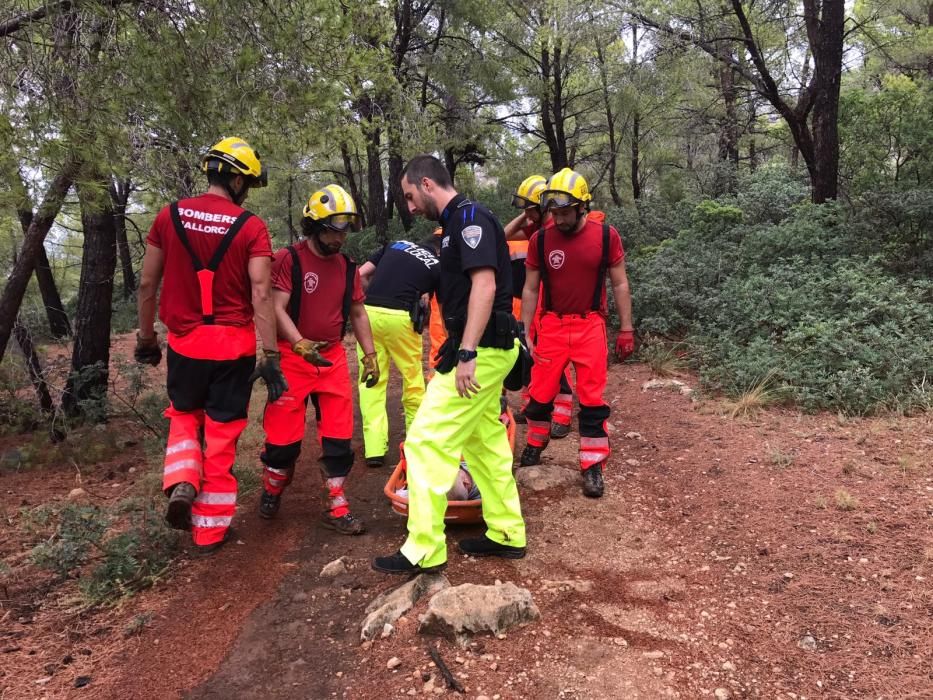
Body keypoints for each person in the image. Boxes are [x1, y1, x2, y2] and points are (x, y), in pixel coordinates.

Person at [372, 155, 526, 575]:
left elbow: (485, 283)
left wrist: (467, 353)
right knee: (484, 444)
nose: (409, 207)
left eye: (409, 196)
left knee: (425, 442)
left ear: (426, 183)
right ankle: (507, 533)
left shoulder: (469, 217)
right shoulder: (455, 226)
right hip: (483, 346)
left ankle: (424, 548)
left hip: (484, 350)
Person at [135, 136, 287, 555]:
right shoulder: (252, 227)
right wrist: (270, 353)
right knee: (221, 438)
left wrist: (146, 338)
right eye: (249, 184)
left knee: (184, 418)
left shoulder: (168, 217)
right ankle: (209, 532)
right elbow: (260, 292)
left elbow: (148, 282)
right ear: (238, 180)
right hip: (232, 348)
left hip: (185, 344)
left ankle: (183, 478)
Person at [256, 184, 378, 535]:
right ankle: (272, 487)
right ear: (314, 225)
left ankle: (337, 504)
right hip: (294, 359)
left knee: (339, 436)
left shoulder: (347, 267)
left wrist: (370, 355)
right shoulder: (288, 259)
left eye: (344, 232)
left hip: (333, 358)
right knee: (282, 441)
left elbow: (357, 312)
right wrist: (297, 343)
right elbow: (275, 307)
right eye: (332, 231)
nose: (340, 239)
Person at [518, 167, 635, 498]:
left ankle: (592, 465)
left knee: (592, 400)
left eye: (565, 211)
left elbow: (620, 282)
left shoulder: (605, 236)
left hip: (590, 325)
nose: (559, 217)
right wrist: (526, 330)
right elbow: (530, 289)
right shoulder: (540, 240)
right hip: (552, 326)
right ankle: (535, 445)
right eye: (554, 211)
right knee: (539, 396)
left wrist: (626, 328)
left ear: (582, 206)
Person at [356, 236, 440, 468]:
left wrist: (371, 298)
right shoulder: (436, 263)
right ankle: (415, 443)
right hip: (402, 318)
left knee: (371, 379)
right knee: (412, 380)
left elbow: (361, 274)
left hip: (368, 314)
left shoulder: (394, 244)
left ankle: (374, 449)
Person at [503, 175, 575, 438]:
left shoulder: (558, 232)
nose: (526, 213)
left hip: (554, 307)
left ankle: (562, 417)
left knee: (556, 360)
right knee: (533, 356)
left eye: (529, 207)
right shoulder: (537, 231)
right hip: (536, 305)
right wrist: (527, 216)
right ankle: (534, 405)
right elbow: (502, 236)